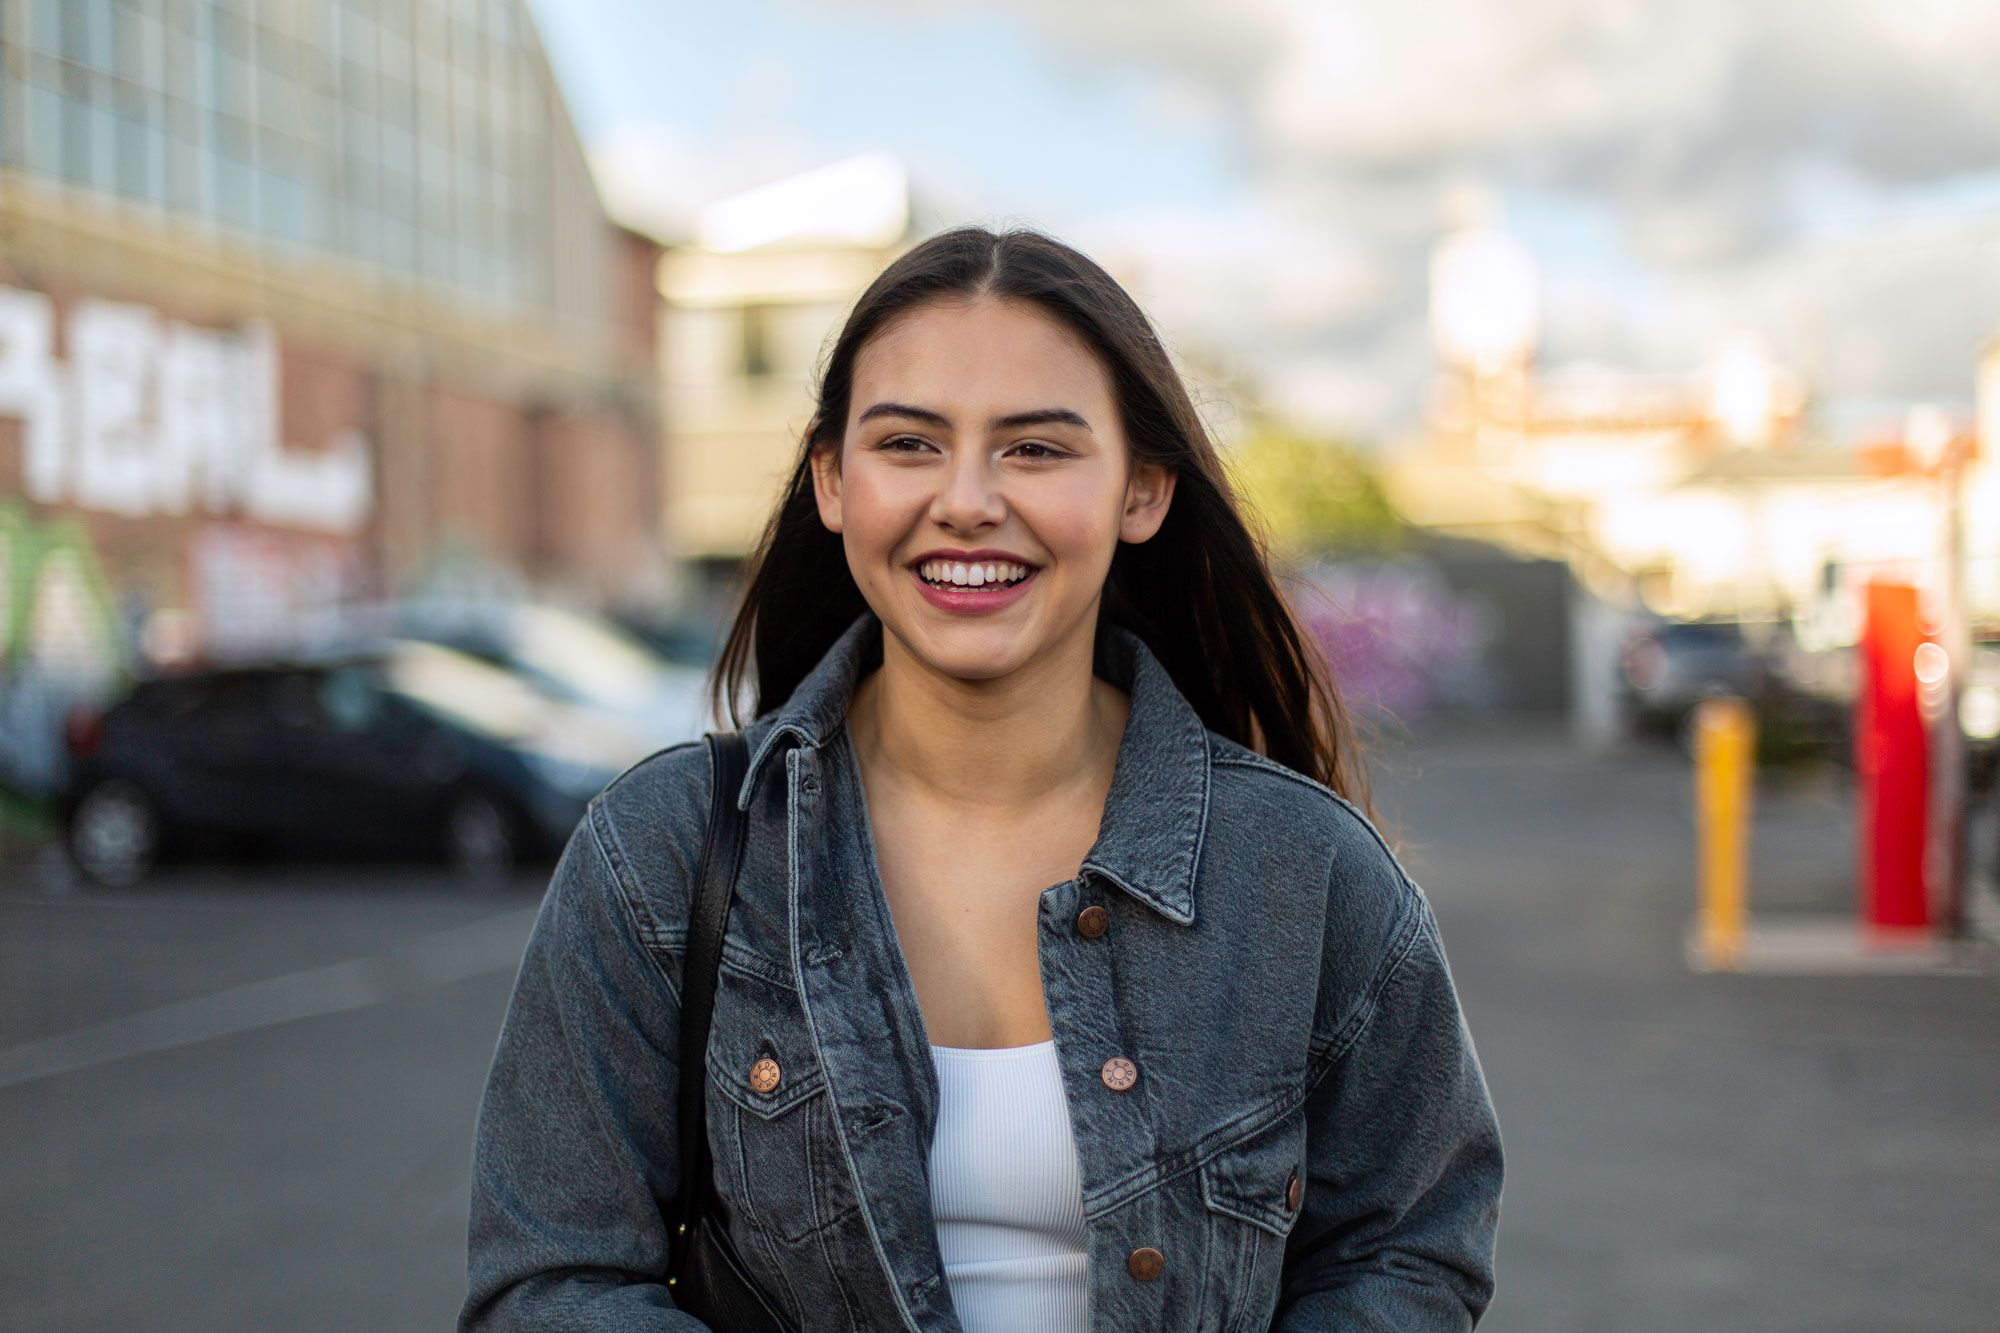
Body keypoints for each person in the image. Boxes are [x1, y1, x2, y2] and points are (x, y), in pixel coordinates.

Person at [461, 225, 1503, 1331]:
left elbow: (1406, 1246)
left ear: (1142, 491)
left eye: (1035, 449)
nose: (965, 499)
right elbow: (552, 1281)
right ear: (830, 479)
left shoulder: (1306, 871)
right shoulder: (663, 854)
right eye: (907, 443)